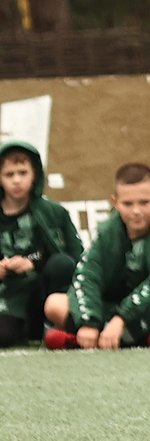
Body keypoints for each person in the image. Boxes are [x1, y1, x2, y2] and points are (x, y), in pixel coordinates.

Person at [62, 163, 150, 349]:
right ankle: (136, 336)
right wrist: (89, 322)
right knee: (55, 303)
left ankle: (120, 336)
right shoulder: (106, 232)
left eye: (144, 202)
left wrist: (121, 318)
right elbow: (87, 275)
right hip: (115, 309)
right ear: (115, 202)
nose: (136, 211)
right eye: (128, 204)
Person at [0, 138, 81, 348]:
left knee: (62, 263)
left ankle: (53, 325)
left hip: (42, 288)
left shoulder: (54, 212)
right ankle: (25, 329)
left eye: (23, 173)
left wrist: (32, 262)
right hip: (8, 293)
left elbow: (75, 256)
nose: (16, 181)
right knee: (4, 337)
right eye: (9, 174)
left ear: (35, 174)